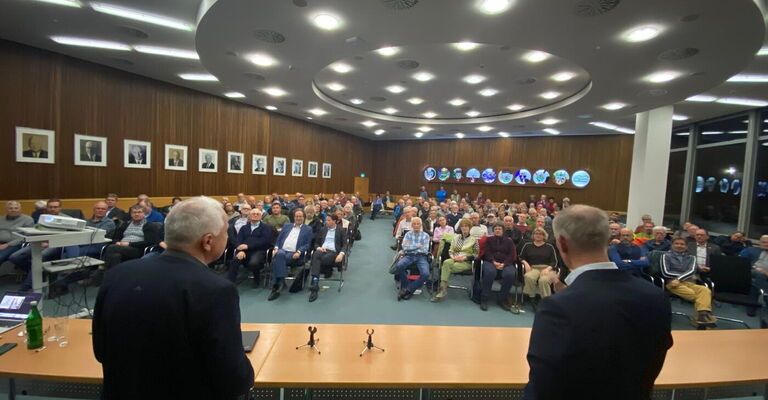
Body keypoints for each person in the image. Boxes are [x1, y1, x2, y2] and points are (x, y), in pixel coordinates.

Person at [93, 197, 254, 400]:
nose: (227, 237)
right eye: (225, 233)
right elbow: (234, 378)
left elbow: (100, 350)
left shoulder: (118, 274)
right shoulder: (216, 289)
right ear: (208, 241)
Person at [525, 205, 672, 400]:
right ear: (608, 239)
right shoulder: (655, 297)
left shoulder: (558, 307)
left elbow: (544, 385)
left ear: (562, 243)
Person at [661, 237, 717, 327]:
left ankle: (701, 317)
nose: (679, 246)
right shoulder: (666, 256)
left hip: (688, 282)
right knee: (698, 297)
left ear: (686, 246)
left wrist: (678, 278)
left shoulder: (692, 257)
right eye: (677, 243)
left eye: (682, 244)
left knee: (705, 290)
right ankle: (701, 318)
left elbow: (691, 271)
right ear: (672, 245)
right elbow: (666, 272)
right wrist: (683, 277)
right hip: (672, 283)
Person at [267, 209, 313, 301]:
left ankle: (277, 284)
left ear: (303, 218)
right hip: (282, 250)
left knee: (276, 260)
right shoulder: (287, 226)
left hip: (294, 254)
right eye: (297, 216)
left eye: (300, 216)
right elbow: (279, 239)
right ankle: (279, 283)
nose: (298, 218)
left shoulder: (308, 229)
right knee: (279, 254)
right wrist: (276, 248)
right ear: (294, 217)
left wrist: (299, 252)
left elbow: (308, 244)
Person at [102, 205, 163, 270]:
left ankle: (102, 269)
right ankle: (116, 275)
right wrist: (117, 242)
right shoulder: (125, 224)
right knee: (116, 256)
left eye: (139, 212)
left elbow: (149, 242)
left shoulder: (149, 226)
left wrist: (129, 244)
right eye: (134, 212)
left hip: (137, 249)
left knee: (111, 247)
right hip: (120, 247)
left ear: (144, 214)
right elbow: (115, 238)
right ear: (131, 214)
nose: (136, 214)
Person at [431, 219, 478, 302]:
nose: (464, 228)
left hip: (465, 262)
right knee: (446, 262)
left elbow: (476, 254)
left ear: (470, 227)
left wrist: (464, 258)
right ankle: (442, 289)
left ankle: (442, 290)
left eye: (466, 226)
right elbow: (450, 250)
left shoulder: (474, 240)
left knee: (445, 267)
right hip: (454, 259)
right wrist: (453, 257)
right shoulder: (456, 238)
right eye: (462, 226)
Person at [228, 208, 273, 285]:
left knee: (254, 262)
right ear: (250, 216)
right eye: (253, 214)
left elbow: (265, 241)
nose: (255, 215)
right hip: (244, 251)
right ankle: (230, 282)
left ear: (261, 216)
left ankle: (257, 279)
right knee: (235, 260)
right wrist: (240, 250)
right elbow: (239, 240)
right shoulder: (244, 228)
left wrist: (248, 246)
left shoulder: (266, 228)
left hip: (259, 251)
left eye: (257, 214)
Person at [308, 214, 346, 302]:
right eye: (326, 220)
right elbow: (316, 243)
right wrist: (319, 248)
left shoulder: (341, 230)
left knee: (319, 260)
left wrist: (341, 254)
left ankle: (317, 278)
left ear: (335, 221)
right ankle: (315, 284)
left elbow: (345, 244)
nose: (326, 222)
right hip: (323, 250)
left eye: (329, 220)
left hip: (334, 252)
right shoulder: (323, 229)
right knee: (316, 254)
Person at [480, 223, 518, 311]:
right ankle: (484, 298)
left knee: (510, 274)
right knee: (490, 272)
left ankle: (502, 298)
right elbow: (487, 252)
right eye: (496, 229)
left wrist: (504, 264)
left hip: (505, 263)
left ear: (503, 231)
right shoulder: (489, 240)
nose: (497, 230)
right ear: (493, 231)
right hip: (490, 261)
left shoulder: (509, 241)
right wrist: (494, 262)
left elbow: (511, 254)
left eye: (499, 229)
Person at [520, 227, 559, 307]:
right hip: (533, 268)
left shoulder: (549, 246)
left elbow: (554, 261)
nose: (538, 235)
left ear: (544, 236)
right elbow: (521, 257)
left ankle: (546, 301)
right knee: (528, 277)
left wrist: (548, 269)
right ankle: (532, 298)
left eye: (540, 234)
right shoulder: (527, 245)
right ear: (533, 235)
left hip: (548, 268)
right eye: (536, 234)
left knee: (543, 280)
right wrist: (525, 263)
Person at [394, 217, 432, 301]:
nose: (416, 225)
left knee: (425, 274)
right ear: (412, 225)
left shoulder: (425, 235)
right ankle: (405, 286)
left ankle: (408, 290)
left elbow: (425, 249)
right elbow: (405, 247)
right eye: (414, 224)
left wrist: (411, 246)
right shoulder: (408, 234)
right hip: (409, 255)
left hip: (421, 256)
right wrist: (418, 246)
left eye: (418, 223)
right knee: (399, 265)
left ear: (421, 225)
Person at [0, 201, 34, 265]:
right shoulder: (1, 219)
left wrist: (7, 245)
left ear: (20, 209)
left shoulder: (27, 219)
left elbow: (26, 237)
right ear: (6, 210)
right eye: (10, 208)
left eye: (16, 208)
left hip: (15, 244)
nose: (13, 210)